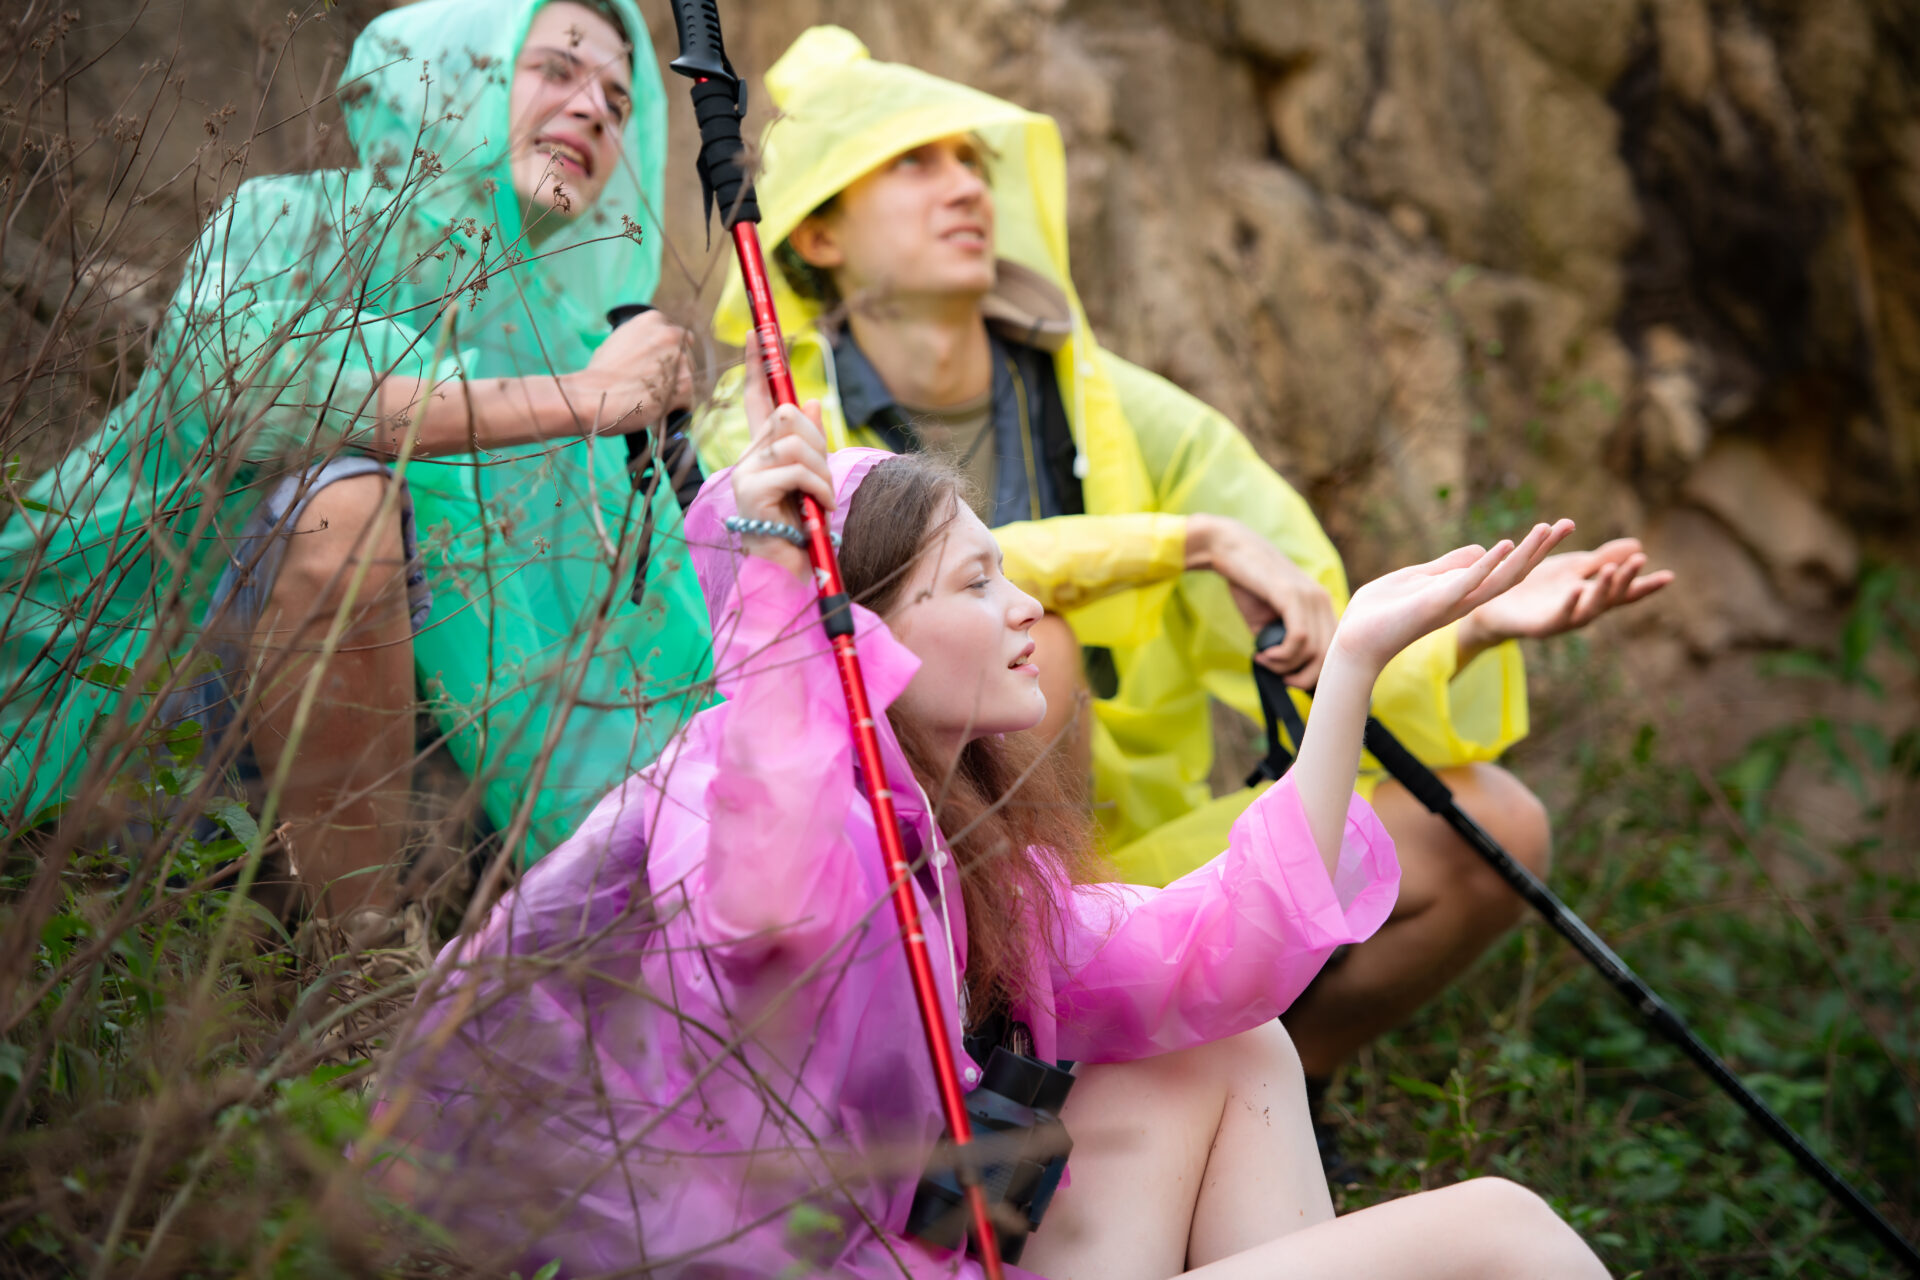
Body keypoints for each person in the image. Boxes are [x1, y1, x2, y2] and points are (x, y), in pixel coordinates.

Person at [371, 365, 1609, 1278]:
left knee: (1235, 1049)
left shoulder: (959, 850)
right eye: (974, 582)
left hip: (931, 1253)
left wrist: (1353, 669)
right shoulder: (756, 791)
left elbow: (1206, 952)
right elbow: (766, 907)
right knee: (1502, 1225)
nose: (1023, 610)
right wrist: (771, 595)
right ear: (858, 635)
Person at [693, 26, 1672, 1162]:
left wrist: (1467, 624)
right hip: (933, 917)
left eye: (973, 160)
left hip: (1135, 868)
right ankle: (1039, 1069)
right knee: (1040, 639)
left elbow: (1302, 624)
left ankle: (1278, 1087)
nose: (965, 184)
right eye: (913, 164)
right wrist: (1179, 540)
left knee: (1496, 821)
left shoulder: (1124, 406)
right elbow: (789, 655)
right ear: (816, 230)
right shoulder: (773, 436)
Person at [0, 0, 712, 942]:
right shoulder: (292, 223)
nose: (594, 110)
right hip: (147, 724)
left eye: (622, 104)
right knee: (345, 505)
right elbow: (249, 393)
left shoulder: (577, 342)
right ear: (457, 75)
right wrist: (580, 399)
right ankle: (359, 959)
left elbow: (656, 649)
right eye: (555, 70)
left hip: (439, 801)